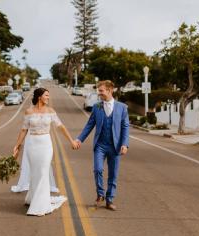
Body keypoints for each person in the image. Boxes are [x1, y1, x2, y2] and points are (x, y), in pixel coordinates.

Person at [13, 88, 77, 216]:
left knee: (43, 172)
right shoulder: (29, 112)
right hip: (32, 145)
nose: (48, 97)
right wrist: (17, 146)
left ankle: (40, 205)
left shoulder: (50, 111)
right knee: (35, 172)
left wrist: (71, 141)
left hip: (46, 144)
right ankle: (32, 197)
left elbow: (61, 126)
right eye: (46, 95)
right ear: (39, 97)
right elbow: (24, 130)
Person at [73, 80, 129, 210]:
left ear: (110, 91)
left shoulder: (122, 107)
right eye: (99, 91)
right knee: (97, 169)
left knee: (113, 174)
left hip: (115, 146)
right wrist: (79, 139)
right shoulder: (97, 107)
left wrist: (125, 144)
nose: (99, 94)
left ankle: (110, 200)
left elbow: (125, 127)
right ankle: (100, 194)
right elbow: (89, 125)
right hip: (100, 145)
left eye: (101, 91)